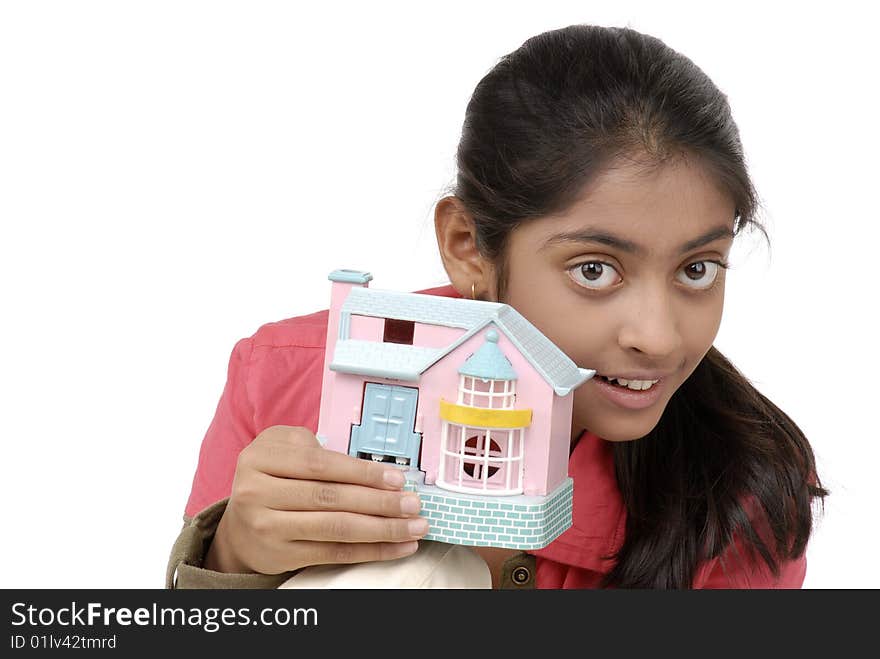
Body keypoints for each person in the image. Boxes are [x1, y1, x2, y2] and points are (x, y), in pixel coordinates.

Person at [166, 24, 826, 589]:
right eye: (594, 269)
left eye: (696, 268)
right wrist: (230, 557)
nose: (657, 337)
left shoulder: (744, 491)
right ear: (468, 247)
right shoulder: (281, 380)